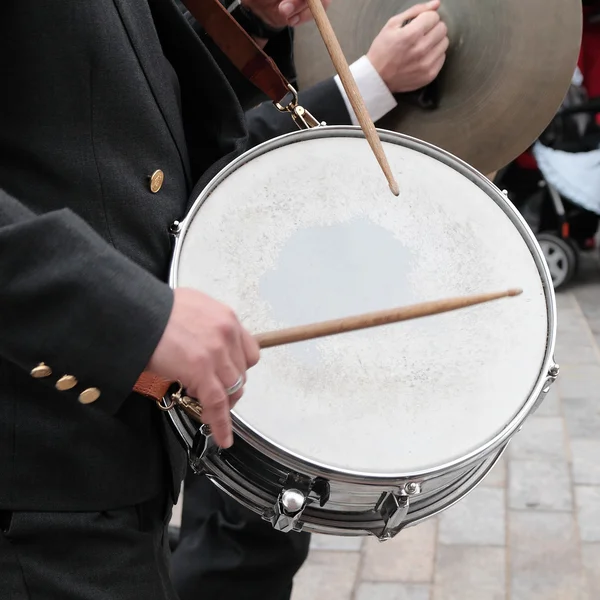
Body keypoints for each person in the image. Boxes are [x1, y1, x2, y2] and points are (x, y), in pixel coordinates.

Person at [0, 1, 337, 598]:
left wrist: (249, 25)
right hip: (34, 483)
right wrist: (135, 316)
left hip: (118, 473)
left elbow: (131, 106)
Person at [170, 3, 449, 600]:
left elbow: (171, 81)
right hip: (217, 267)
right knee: (246, 536)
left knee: (251, 529)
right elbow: (196, 141)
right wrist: (370, 81)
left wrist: (251, 20)